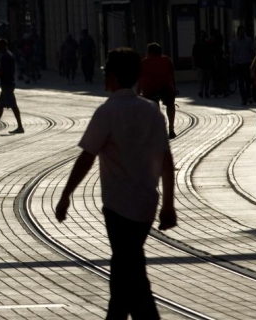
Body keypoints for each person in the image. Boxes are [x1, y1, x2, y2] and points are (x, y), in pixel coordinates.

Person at [54, 48, 177, 320]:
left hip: (118, 208)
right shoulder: (152, 111)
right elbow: (167, 161)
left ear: (112, 77)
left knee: (128, 272)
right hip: (146, 206)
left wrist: (66, 194)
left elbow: (87, 157)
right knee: (128, 268)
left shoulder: (107, 112)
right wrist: (168, 204)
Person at [138, 43, 177, 139]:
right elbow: (172, 76)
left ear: (150, 52)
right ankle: (171, 128)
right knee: (170, 104)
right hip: (165, 88)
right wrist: (174, 89)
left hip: (149, 89)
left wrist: (137, 93)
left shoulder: (144, 62)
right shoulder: (167, 60)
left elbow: (140, 79)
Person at [229, 26, 255, 105]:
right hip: (239, 64)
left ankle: (248, 96)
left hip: (247, 63)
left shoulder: (248, 40)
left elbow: (252, 51)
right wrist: (231, 62)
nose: (242, 33)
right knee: (240, 82)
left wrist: (253, 62)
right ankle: (243, 98)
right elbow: (232, 53)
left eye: (243, 31)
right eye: (240, 31)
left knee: (248, 81)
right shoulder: (234, 42)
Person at [193, 31, 213, 99]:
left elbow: (211, 54)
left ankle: (205, 92)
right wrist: (193, 64)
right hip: (200, 64)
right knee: (201, 79)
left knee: (207, 79)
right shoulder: (196, 45)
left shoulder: (208, 44)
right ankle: (201, 91)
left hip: (207, 64)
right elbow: (194, 55)